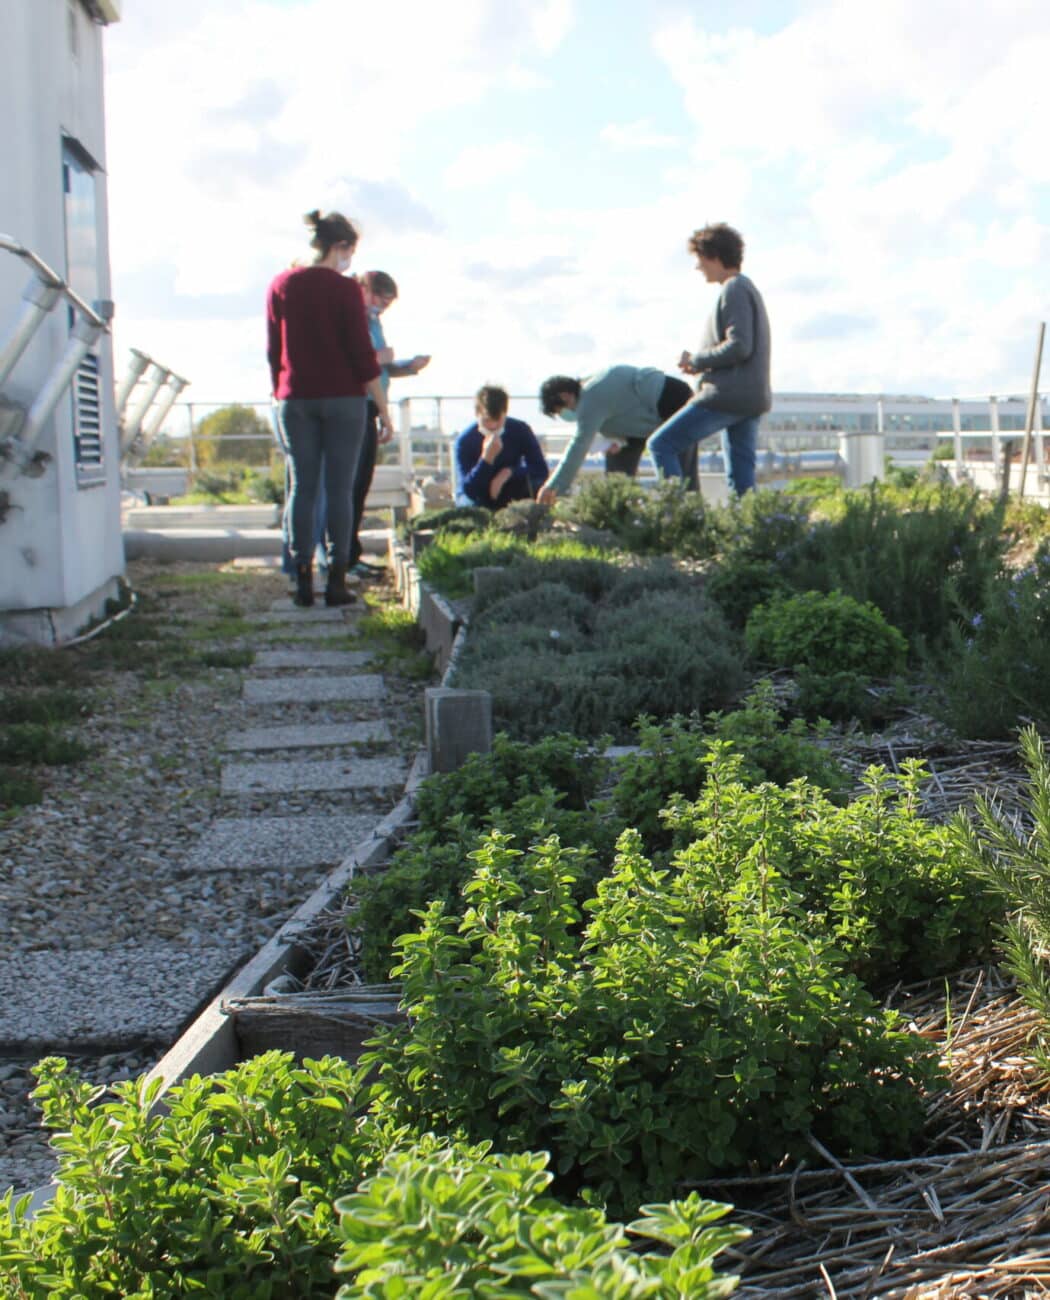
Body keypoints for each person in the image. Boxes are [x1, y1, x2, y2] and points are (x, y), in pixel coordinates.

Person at [266, 209, 392, 607]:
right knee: (340, 489)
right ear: (339, 247)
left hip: (295, 397)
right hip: (344, 400)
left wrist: (279, 390)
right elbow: (362, 355)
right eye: (349, 251)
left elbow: (274, 349)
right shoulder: (345, 291)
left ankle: (302, 577)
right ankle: (336, 581)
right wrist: (384, 409)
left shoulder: (281, 284)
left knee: (302, 487)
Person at [647, 223, 771, 497]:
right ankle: (754, 532)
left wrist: (698, 360)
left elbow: (740, 346)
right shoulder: (746, 288)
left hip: (726, 395)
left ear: (713, 257)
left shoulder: (734, 289)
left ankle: (681, 518)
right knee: (741, 478)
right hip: (751, 397)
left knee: (661, 444)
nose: (698, 267)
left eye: (700, 260)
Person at [350, 271, 430, 578]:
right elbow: (363, 362)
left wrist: (407, 367)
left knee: (361, 484)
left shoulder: (373, 323)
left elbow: (378, 367)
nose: (381, 308)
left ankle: (350, 554)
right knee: (353, 485)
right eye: (379, 300)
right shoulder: (352, 319)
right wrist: (380, 358)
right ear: (366, 289)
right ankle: (344, 557)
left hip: (373, 404)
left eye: (387, 304)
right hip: (359, 403)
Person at [535, 365, 696, 504]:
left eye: (560, 410)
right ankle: (618, 518)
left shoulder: (590, 397)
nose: (566, 415)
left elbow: (579, 444)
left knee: (682, 471)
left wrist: (553, 487)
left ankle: (686, 516)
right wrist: (617, 441)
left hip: (671, 401)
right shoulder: (590, 393)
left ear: (565, 396)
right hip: (641, 425)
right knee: (617, 474)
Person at [454, 385, 549, 509]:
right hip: (477, 494)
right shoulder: (465, 440)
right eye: (487, 420)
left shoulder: (520, 430)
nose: (493, 426)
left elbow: (540, 469)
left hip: (507, 486)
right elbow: (469, 489)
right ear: (477, 414)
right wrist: (486, 459)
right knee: (471, 505)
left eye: (498, 420)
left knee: (536, 487)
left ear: (505, 413)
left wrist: (508, 472)